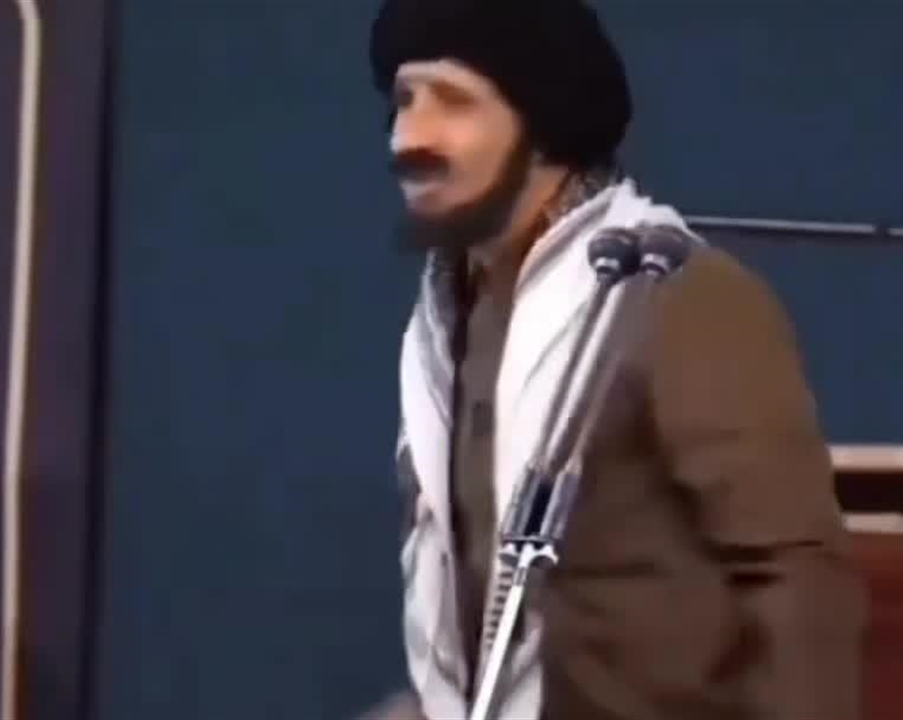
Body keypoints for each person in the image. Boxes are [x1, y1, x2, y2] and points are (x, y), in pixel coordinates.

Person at [364, 0, 868, 719]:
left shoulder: (672, 293)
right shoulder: (448, 318)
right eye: (404, 100)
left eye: (453, 101)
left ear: (542, 125)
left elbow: (796, 579)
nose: (409, 136)